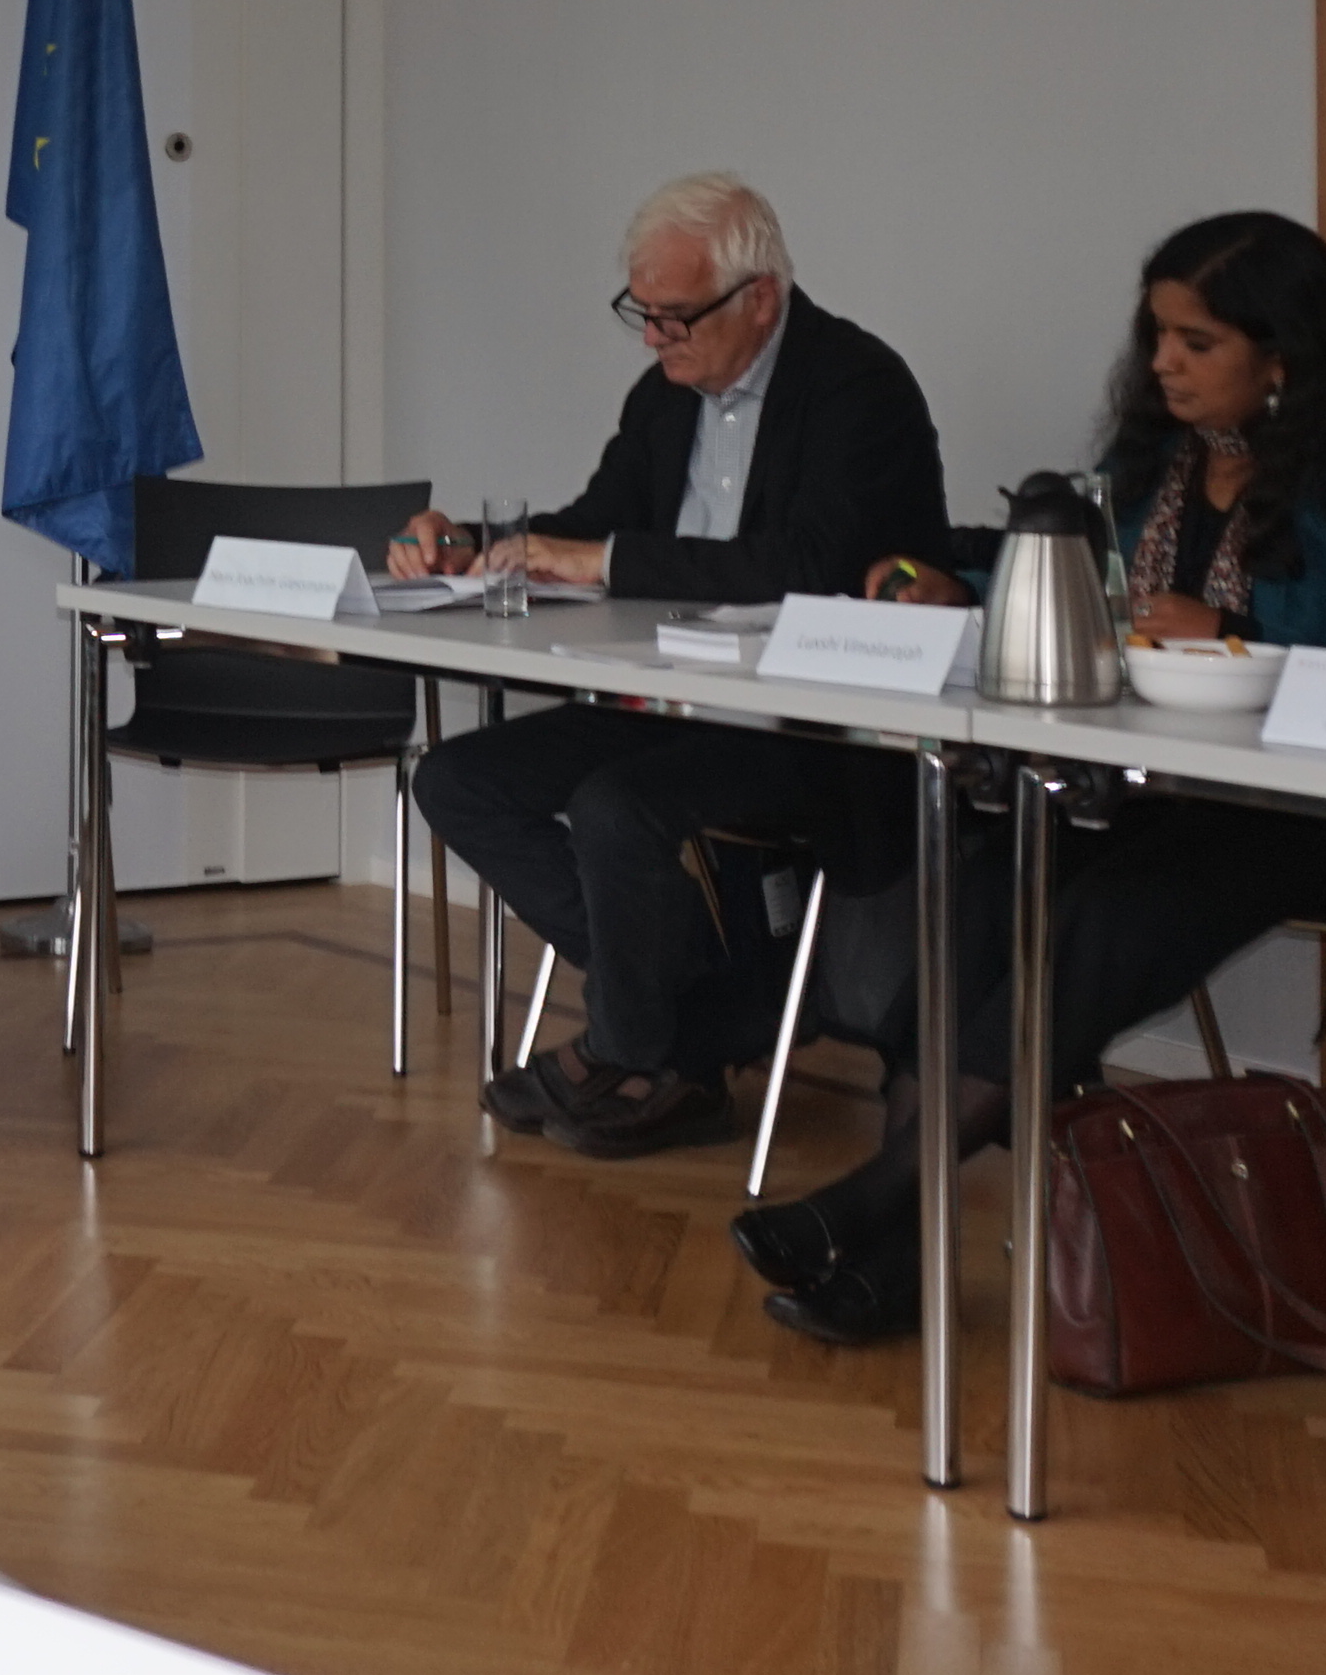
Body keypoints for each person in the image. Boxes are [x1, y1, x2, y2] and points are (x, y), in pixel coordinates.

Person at [735, 210, 1326, 1345]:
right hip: (1169, 786)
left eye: (1197, 342)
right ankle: (892, 1257)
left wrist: (1232, 631)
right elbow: (1084, 583)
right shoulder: (1157, 463)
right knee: (983, 890)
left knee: (1106, 911)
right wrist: (963, 586)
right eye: (1157, 335)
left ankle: (873, 1206)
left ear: (1282, 355)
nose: (1164, 363)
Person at [392, 174, 951, 1159]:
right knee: (455, 779)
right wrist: (474, 546)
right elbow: (594, 523)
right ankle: (690, 1010)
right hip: (669, 702)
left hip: (811, 722)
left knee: (617, 806)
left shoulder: (857, 387)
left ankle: (637, 1050)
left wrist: (598, 560)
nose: (653, 338)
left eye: (674, 316)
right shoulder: (665, 396)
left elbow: (807, 565)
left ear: (760, 298)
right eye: (640, 313)